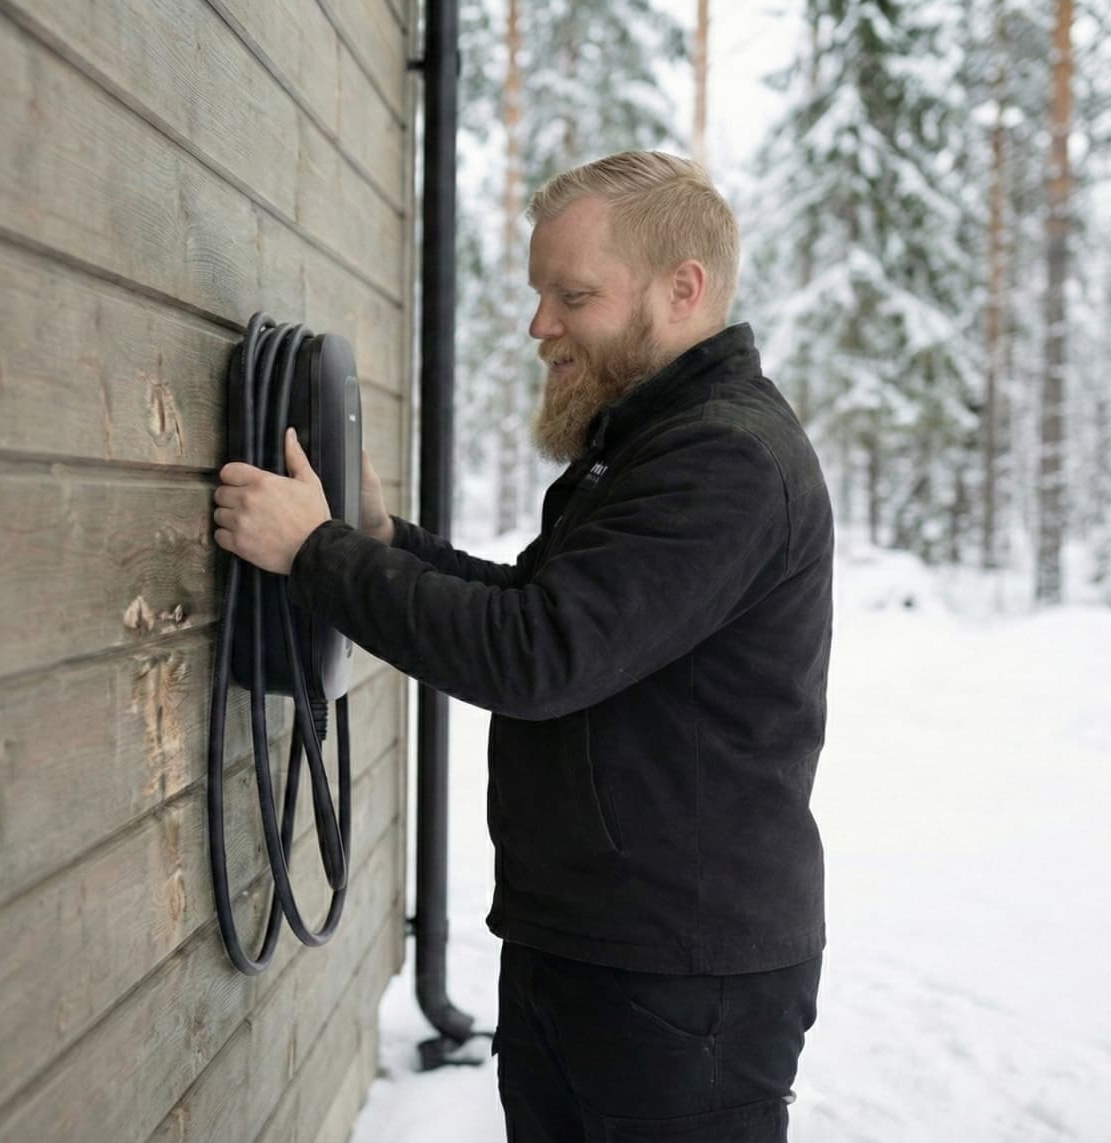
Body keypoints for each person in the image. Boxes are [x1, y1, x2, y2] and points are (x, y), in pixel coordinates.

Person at [212, 151, 831, 1142]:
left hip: (674, 974)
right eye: (540, 292)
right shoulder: (650, 444)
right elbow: (549, 611)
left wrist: (314, 553)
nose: (540, 325)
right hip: (597, 944)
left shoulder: (724, 461)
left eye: (571, 294)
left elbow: (539, 656)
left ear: (684, 289)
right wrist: (379, 542)